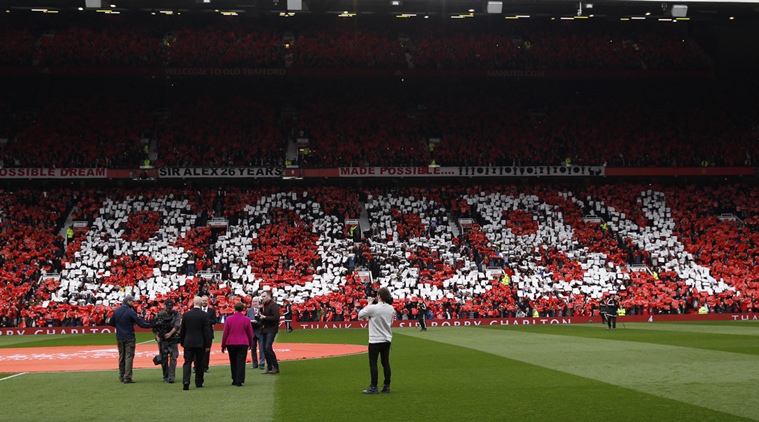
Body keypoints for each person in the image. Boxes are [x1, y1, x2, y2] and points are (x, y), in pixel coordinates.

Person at [358, 287, 395, 394]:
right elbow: (391, 322)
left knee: (373, 363)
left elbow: (360, 314)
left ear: (379, 296)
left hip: (375, 339)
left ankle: (374, 386)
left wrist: (369, 304)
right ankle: (387, 385)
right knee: (385, 362)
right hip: (386, 339)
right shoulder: (391, 309)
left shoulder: (373, 308)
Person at [108, 294, 151, 384]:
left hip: (119, 336)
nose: (133, 303)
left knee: (121, 356)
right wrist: (152, 325)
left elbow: (111, 322)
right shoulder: (130, 312)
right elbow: (141, 324)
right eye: (132, 301)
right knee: (129, 356)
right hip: (129, 336)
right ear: (128, 301)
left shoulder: (117, 311)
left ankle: (121, 375)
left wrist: (119, 326)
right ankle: (127, 377)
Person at [180, 296, 212, 390]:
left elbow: (183, 330)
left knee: (187, 362)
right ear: (201, 303)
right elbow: (207, 331)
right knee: (199, 363)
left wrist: (182, 342)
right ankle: (198, 382)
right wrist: (207, 344)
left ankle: (186, 381)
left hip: (188, 342)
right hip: (200, 343)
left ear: (193, 303)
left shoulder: (186, 315)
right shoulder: (204, 315)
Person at [221, 301, 254, 387]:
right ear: (243, 309)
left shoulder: (229, 319)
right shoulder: (246, 319)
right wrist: (251, 343)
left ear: (234, 309)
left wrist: (223, 345)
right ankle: (239, 380)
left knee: (233, 361)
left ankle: (234, 379)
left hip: (231, 342)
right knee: (241, 362)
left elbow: (225, 333)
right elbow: (250, 333)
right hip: (243, 343)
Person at [152, 299, 180, 383]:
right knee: (163, 357)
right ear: (164, 306)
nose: (169, 309)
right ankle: (165, 375)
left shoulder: (176, 314)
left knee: (173, 356)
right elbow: (154, 326)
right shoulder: (159, 314)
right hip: (162, 339)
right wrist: (157, 336)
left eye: (170, 308)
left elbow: (177, 325)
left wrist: (170, 333)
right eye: (167, 307)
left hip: (173, 338)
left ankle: (171, 376)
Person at [258, 290, 281, 374]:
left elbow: (276, 317)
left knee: (267, 347)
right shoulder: (265, 305)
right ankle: (270, 367)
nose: (262, 298)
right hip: (265, 329)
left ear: (268, 296)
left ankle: (275, 366)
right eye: (262, 297)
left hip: (271, 329)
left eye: (264, 296)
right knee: (264, 348)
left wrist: (264, 317)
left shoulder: (273, 305)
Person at [246, 297, 266, 369]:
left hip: (260, 331)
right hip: (252, 331)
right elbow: (247, 319)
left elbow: (264, 319)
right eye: (253, 302)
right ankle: (255, 363)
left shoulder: (262, 309)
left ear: (258, 302)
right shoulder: (249, 310)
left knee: (261, 348)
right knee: (253, 348)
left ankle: (262, 363)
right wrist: (251, 321)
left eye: (256, 302)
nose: (254, 303)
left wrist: (259, 322)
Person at [201, 295, 217, 372]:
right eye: (203, 300)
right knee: (198, 351)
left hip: (208, 334)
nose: (204, 302)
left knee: (207, 351)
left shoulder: (212, 311)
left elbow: (214, 321)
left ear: (208, 301)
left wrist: (206, 321)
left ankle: (205, 367)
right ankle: (197, 367)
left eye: (205, 300)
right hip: (199, 334)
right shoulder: (198, 310)